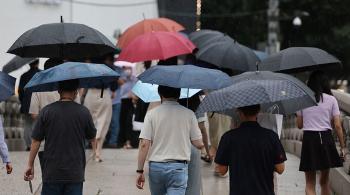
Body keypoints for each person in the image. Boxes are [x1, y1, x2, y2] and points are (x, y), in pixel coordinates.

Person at [24, 79, 96, 195]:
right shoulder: (84, 112)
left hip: (51, 172)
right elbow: (92, 137)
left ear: (58, 90)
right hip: (75, 173)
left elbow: (36, 140)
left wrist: (30, 164)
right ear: (76, 92)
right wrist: (93, 155)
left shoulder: (46, 111)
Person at [136, 85, 204, 195]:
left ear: (160, 94)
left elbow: (144, 144)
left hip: (156, 168)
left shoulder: (151, 114)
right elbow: (199, 144)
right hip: (178, 168)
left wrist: (140, 170)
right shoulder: (189, 114)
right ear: (179, 94)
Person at [215, 104, 287, 195]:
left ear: (239, 112)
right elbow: (280, 169)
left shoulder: (228, 137)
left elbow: (222, 170)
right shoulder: (271, 136)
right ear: (259, 111)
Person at [296, 70, 346, 195]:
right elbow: (338, 126)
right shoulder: (331, 100)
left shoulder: (303, 99)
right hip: (326, 139)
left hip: (309, 139)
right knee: (324, 182)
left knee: (309, 183)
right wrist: (343, 147)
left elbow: (299, 125)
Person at [83, 55, 117, 162]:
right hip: (104, 94)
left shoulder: (88, 68)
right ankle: (97, 152)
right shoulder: (108, 67)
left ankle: (93, 148)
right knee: (103, 122)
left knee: (90, 122)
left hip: (90, 94)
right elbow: (114, 86)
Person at [18, 59, 40, 150]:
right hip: (38, 101)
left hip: (26, 103)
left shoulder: (24, 76)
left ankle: (28, 145)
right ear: (38, 63)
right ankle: (36, 144)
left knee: (27, 124)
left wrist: (23, 101)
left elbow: (20, 91)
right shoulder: (41, 74)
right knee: (37, 124)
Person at [118, 66, 137, 149]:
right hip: (122, 101)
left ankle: (129, 141)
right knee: (122, 121)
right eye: (126, 68)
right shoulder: (121, 79)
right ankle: (122, 141)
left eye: (129, 68)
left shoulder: (134, 79)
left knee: (129, 121)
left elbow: (136, 89)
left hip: (131, 101)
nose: (128, 70)